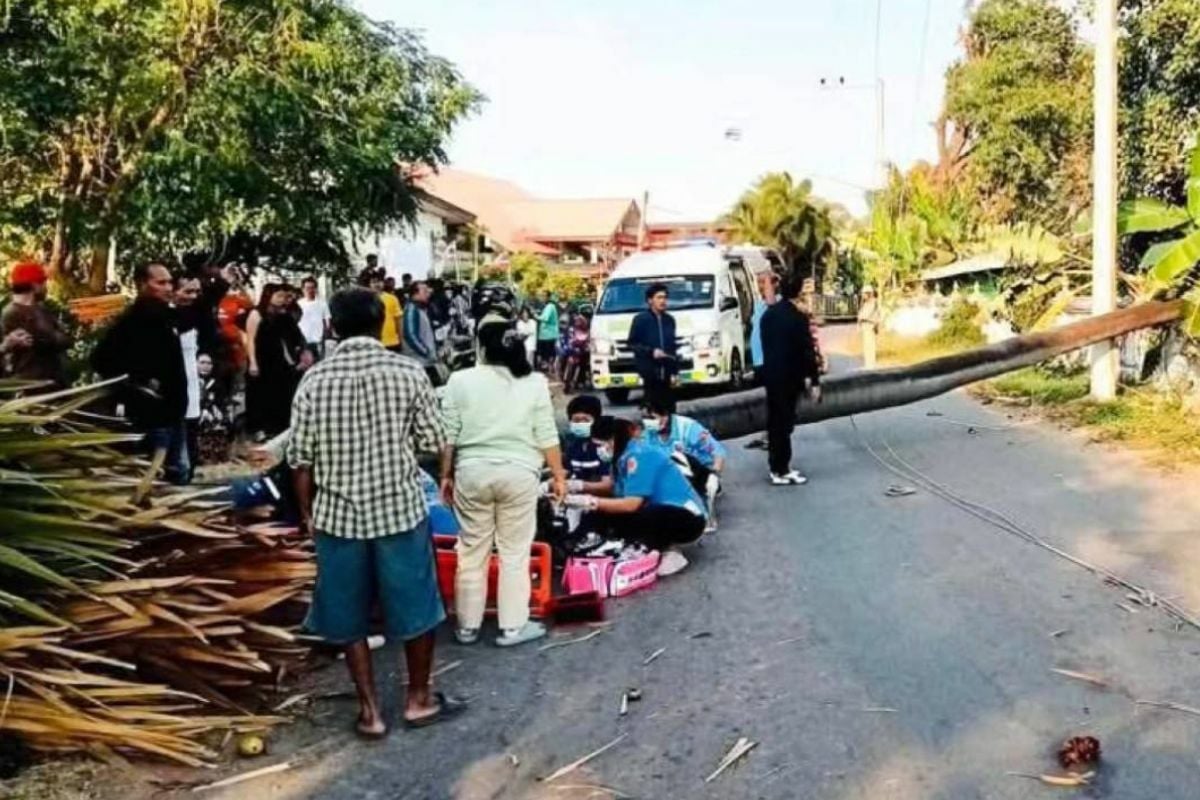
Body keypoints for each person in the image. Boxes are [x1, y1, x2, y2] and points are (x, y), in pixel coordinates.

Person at [289, 287, 461, 738]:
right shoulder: (407, 373)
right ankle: (418, 699)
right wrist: (444, 476)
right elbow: (435, 440)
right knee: (417, 606)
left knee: (347, 615)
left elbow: (300, 460)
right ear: (378, 323)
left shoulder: (314, 380)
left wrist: (307, 514)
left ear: (333, 325)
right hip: (399, 512)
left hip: (337, 517)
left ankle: (370, 712)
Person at [439, 311, 566, 648]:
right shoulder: (534, 382)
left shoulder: (459, 381)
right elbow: (546, 434)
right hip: (519, 472)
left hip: (471, 472)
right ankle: (513, 627)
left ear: (480, 346)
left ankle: (467, 626)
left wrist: (446, 476)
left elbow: (448, 436)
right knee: (514, 551)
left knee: (471, 550)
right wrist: (558, 476)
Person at [564, 416, 706, 576]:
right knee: (601, 513)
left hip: (688, 519)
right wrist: (577, 487)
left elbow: (631, 504)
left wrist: (589, 501)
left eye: (602, 444)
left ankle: (665, 550)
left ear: (614, 440)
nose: (601, 449)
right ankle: (576, 544)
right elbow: (615, 489)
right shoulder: (624, 456)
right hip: (666, 512)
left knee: (643, 514)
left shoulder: (639, 456)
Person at [93, 263, 190, 483]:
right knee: (158, 477)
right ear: (143, 284)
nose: (168, 287)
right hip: (152, 414)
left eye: (170, 282)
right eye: (161, 282)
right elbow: (101, 360)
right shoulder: (133, 320)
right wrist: (141, 383)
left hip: (174, 410)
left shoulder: (166, 316)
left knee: (178, 472)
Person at [759, 274, 822, 485]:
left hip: (772, 376)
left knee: (775, 422)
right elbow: (807, 352)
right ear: (798, 293)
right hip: (790, 378)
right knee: (785, 424)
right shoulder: (797, 318)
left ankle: (777, 467)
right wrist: (814, 381)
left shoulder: (768, 317)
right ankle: (781, 469)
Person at [640, 393, 725, 528]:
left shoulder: (688, 428)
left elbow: (717, 451)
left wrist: (715, 473)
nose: (647, 421)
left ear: (665, 415)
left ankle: (702, 511)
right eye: (644, 418)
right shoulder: (648, 434)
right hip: (668, 475)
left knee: (678, 459)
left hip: (697, 473)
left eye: (651, 417)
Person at [174, 273, 218, 481]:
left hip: (191, 380)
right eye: (187, 291)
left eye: (196, 292)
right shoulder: (167, 316)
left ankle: (188, 470)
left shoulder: (197, 316)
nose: (193, 296)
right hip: (171, 384)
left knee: (190, 429)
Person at [252, 284, 312, 437]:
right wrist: (253, 362)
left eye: (283, 297)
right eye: (278, 296)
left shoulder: (285, 316)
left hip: (285, 363)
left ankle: (284, 428)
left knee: (285, 395)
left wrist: (304, 353)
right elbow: (250, 340)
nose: (282, 300)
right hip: (264, 360)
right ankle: (264, 429)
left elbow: (297, 337)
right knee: (265, 396)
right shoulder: (257, 314)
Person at [1, 260, 70, 388]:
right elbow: (46, 340)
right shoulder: (10, 314)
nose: (46, 287)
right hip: (29, 387)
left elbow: (64, 340)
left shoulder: (42, 310)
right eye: (43, 283)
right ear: (34, 286)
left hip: (54, 385)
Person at [626, 283, 678, 411]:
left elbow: (672, 346)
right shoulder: (641, 320)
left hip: (666, 372)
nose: (663, 301)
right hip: (650, 372)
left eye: (665, 297)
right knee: (653, 407)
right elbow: (633, 343)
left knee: (669, 408)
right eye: (659, 297)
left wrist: (675, 371)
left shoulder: (669, 320)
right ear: (650, 300)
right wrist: (651, 352)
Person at [745, 272, 780, 450]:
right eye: (758, 282)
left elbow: (772, 303)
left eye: (764, 282)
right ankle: (766, 434)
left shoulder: (775, 304)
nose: (760, 286)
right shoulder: (759, 305)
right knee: (764, 400)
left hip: (770, 361)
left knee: (773, 401)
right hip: (759, 361)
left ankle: (772, 436)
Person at [564, 394, 608, 487]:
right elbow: (566, 471)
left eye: (585, 420)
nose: (580, 424)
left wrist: (581, 486)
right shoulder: (573, 446)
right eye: (576, 420)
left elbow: (608, 484)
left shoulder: (605, 447)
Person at [403, 281, 441, 384]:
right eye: (424, 291)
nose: (428, 293)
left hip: (426, 362)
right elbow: (410, 335)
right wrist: (427, 352)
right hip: (419, 363)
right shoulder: (412, 310)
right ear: (415, 294)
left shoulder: (421, 309)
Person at [367, 270, 403, 353]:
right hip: (373, 343)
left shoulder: (392, 299)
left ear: (383, 283)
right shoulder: (365, 300)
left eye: (379, 281)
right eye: (373, 282)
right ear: (369, 284)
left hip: (392, 342)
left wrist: (401, 339)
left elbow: (399, 321)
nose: (377, 284)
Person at [297, 276, 330, 357]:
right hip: (303, 341)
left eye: (312, 288)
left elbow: (327, 321)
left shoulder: (322, 304)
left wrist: (324, 337)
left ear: (316, 289)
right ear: (303, 289)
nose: (310, 290)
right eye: (307, 288)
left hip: (318, 340)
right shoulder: (298, 304)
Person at [535, 291, 559, 373]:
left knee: (546, 354)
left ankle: (548, 369)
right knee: (549, 353)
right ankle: (549, 368)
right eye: (541, 295)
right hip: (548, 334)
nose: (542, 297)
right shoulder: (550, 306)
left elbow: (545, 318)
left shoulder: (550, 306)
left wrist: (535, 315)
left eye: (544, 296)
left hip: (547, 335)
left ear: (548, 297)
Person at [858, 284, 881, 370]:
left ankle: (871, 364)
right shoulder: (866, 303)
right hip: (865, 325)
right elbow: (861, 315)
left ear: (869, 294)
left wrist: (862, 317)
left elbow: (866, 315)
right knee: (866, 344)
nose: (863, 296)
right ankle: (868, 363)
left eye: (864, 294)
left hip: (870, 325)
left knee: (870, 344)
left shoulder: (873, 302)